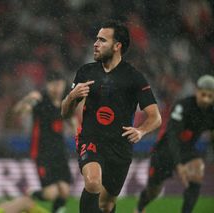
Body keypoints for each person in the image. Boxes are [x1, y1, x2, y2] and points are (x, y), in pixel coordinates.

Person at [61, 20, 162, 213]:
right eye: (96, 39)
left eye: (102, 40)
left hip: (120, 147)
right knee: (92, 183)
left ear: (117, 46)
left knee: (106, 205)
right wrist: (72, 97)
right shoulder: (86, 72)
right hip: (91, 139)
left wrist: (141, 131)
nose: (95, 44)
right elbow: (65, 113)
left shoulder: (134, 77)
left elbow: (155, 117)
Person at [135, 75, 214, 213]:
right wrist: (179, 164)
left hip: (187, 149)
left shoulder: (211, 112)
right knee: (153, 190)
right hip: (166, 150)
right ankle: (140, 208)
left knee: (197, 171)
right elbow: (172, 135)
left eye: (210, 96)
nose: (206, 99)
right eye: (203, 94)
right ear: (197, 91)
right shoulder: (183, 106)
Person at [14, 72, 72, 213]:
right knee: (51, 193)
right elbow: (18, 112)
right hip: (43, 152)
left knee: (64, 190)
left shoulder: (66, 101)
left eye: (59, 84)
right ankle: (30, 194)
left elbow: (71, 120)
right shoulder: (40, 100)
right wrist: (26, 99)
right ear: (47, 85)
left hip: (60, 152)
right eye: (53, 84)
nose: (56, 88)